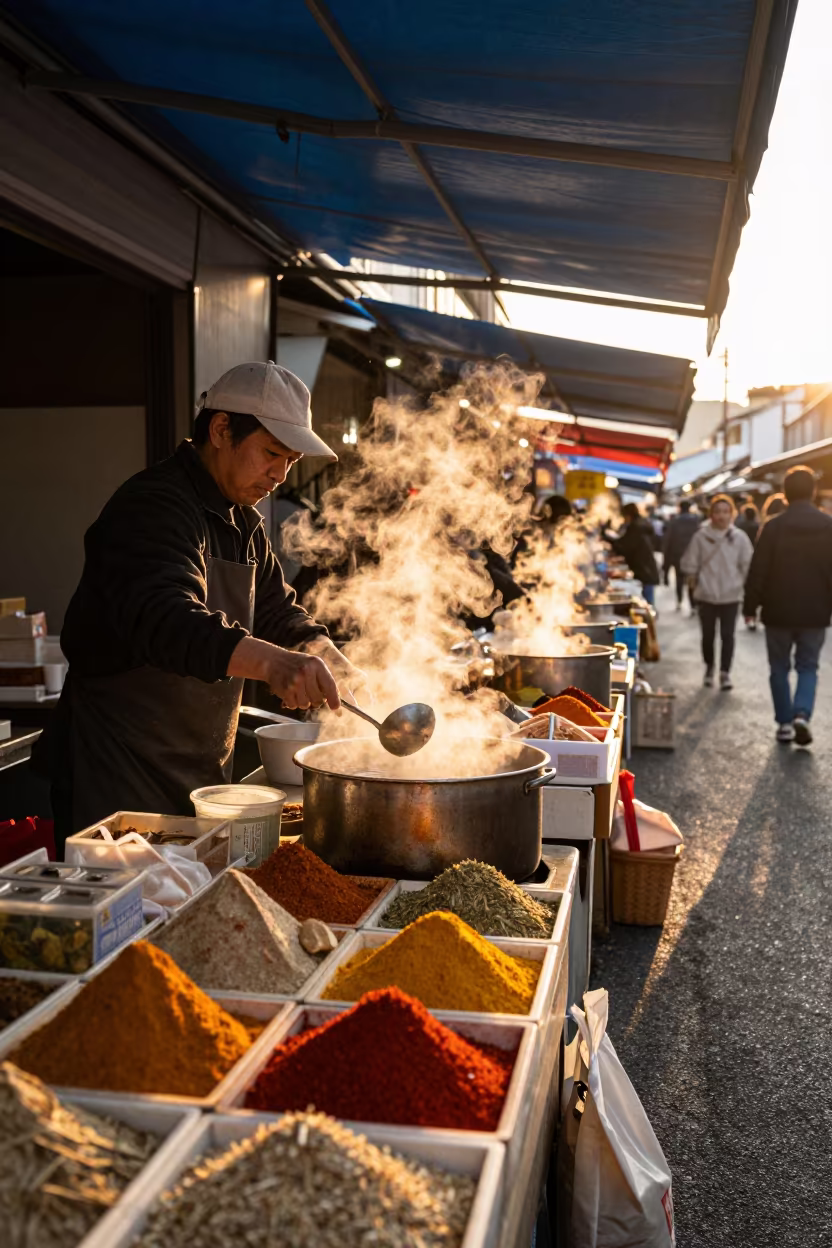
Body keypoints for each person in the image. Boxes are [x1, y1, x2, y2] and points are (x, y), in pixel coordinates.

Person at [39, 361, 362, 842]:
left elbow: (276, 611)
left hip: (202, 773)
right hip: (115, 771)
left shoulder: (245, 525)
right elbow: (167, 618)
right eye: (271, 453)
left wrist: (326, 654)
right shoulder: (152, 506)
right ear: (220, 429)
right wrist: (274, 665)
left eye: (291, 461)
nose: (279, 474)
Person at [743, 465, 832, 746]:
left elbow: (759, 570)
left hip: (777, 610)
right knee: (808, 667)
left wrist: (750, 606)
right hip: (815, 611)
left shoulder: (773, 526)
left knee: (778, 667)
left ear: (785, 492)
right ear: (813, 492)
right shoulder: (828, 525)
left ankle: (783, 723)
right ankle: (801, 716)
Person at [681, 495, 753, 690]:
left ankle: (725, 672)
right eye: (717, 512)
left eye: (725, 511)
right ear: (711, 514)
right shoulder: (700, 537)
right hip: (706, 595)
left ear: (732, 514)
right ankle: (709, 667)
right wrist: (694, 578)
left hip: (732, 594)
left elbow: (748, 566)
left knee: (728, 635)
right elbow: (688, 563)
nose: (721, 516)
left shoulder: (739, 538)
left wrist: (750, 592)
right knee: (708, 635)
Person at [608, 503, 660, 605]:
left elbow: (625, 546)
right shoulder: (641, 524)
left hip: (643, 569)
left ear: (628, 515)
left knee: (646, 603)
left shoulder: (635, 527)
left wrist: (610, 540)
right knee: (647, 600)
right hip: (645, 567)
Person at [662, 500, 701, 610]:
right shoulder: (696, 521)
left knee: (679, 579)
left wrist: (666, 563)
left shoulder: (674, 521)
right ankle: (693, 604)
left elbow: (668, 541)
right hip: (693, 554)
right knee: (691, 579)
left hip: (677, 554)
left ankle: (679, 600)